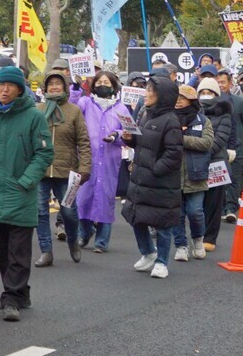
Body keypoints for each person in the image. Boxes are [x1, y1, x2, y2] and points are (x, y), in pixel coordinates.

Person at [0, 66, 52, 321]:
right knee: (2, 247)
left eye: (10, 86)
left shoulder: (34, 117)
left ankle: (10, 297)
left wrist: (27, 180)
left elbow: (44, 153)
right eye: (0, 85)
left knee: (18, 250)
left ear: (20, 89)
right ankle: (21, 293)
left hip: (21, 191)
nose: (4, 90)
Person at [121, 75, 184, 279]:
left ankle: (162, 261)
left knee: (162, 223)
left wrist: (156, 169)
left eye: (150, 91)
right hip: (140, 179)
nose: (146, 94)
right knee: (135, 216)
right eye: (146, 89)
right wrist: (130, 140)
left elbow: (174, 154)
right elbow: (143, 144)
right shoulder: (145, 115)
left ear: (162, 96)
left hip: (161, 182)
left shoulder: (171, 121)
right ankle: (148, 252)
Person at [34, 68, 90, 266]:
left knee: (69, 212)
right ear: (45, 88)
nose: (54, 87)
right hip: (40, 169)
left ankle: (73, 242)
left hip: (67, 171)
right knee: (40, 211)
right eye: (51, 84)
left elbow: (83, 141)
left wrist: (85, 168)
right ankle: (46, 251)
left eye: (58, 84)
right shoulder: (38, 110)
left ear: (65, 87)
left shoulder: (74, 111)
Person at [76, 71, 131, 253]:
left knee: (105, 201)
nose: (103, 85)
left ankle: (101, 242)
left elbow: (131, 134)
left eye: (107, 82)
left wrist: (117, 136)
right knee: (82, 199)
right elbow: (71, 110)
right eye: (99, 82)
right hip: (86, 158)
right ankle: (85, 232)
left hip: (109, 160)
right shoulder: (85, 103)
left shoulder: (121, 109)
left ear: (113, 85)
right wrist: (76, 87)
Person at [173, 85, 214, 262]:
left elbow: (206, 143)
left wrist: (182, 139)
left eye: (183, 97)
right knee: (177, 214)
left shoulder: (203, 121)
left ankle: (198, 240)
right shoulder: (169, 119)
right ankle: (180, 245)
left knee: (195, 211)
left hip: (196, 174)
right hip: (172, 174)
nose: (179, 100)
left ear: (192, 100)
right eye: (177, 97)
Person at [197, 77, 235, 251]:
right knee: (196, 203)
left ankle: (210, 237)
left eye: (210, 92)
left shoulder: (224, 113)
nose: (206, 96)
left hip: (216, 162)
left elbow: (220, 138)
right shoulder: (193, 113)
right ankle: (197, 235)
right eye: (203, 92)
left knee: (214, 202)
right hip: (195, 162)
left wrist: (200, 148)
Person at [215, 69, 243, 229]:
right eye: (217, 82)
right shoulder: (208, 103)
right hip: (216, 148)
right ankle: (219, 207)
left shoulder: (239, 102)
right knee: (217, 180)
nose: (220, 85)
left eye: (223, 82)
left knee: (233, 178)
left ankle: (230, 208)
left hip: (235, 148)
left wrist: (237, 136)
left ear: (230, 83)